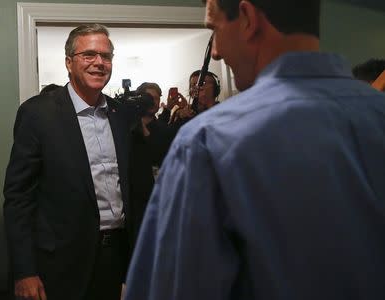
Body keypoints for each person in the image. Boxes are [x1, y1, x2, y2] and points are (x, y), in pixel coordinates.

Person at [125, 0, 385, 299]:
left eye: (215, 30)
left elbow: (173, 289)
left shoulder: (209, 140)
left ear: (248, 18)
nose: (217, 52)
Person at [4, 24, 154, 300]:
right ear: (69, 63)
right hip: (60, 264)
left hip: (118, 256)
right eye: (89, 55)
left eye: (106, 56)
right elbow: (19, 198)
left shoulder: (121, 115)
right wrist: (25, 271)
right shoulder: (38, 114)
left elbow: (137, 190)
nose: (99, 63)